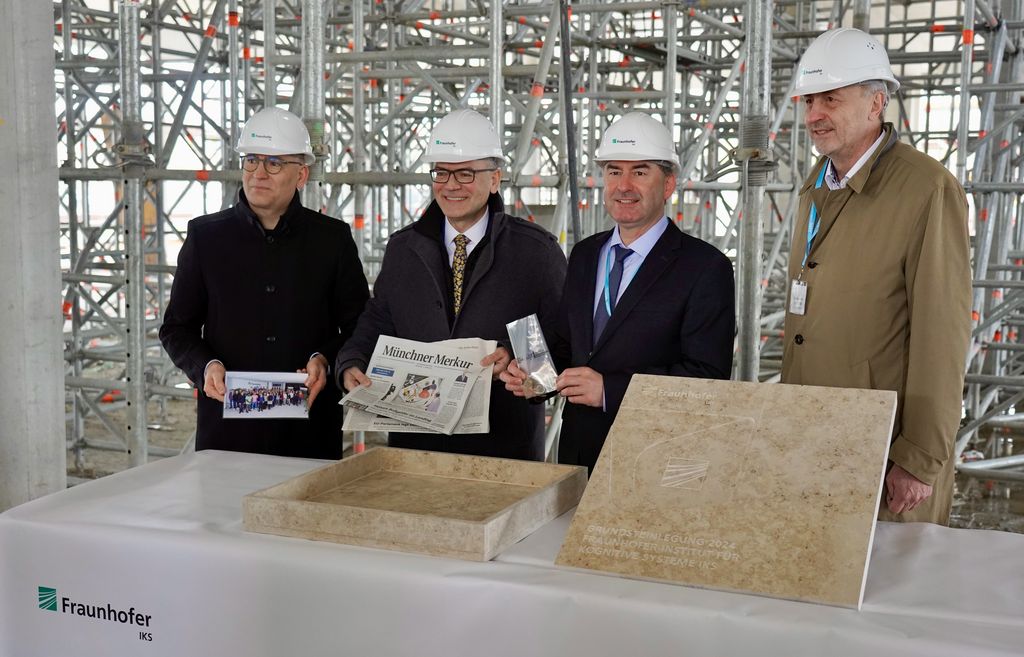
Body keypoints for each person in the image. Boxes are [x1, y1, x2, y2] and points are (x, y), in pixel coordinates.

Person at [782, 28, 971, 525]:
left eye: (831, 99)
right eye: (808, 101)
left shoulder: (926, 189)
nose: (814, 114)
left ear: (875, 104)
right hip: (815, 434)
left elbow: (942, 335)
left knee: (890, 588)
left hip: (884, 451)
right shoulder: (816, 185)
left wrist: (919, 456)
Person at [502, 112, 735, 473]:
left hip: (656, 458)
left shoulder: (705, 267)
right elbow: (568, 345)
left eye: (640, 172)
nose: (623, 185)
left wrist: (611, 391)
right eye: (614, 171)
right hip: (580, 455)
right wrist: (534, 376)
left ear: (669, 184)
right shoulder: (585, 255)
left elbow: (707, 379)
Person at [335, 109, 567, 461]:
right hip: (415, 452)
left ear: (495, 179)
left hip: (505, 453)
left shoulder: (535, 252)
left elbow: (560, 342)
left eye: (465, 173)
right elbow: (378, 322)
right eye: (441, 172)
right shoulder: (403, 249)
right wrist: (351, 362)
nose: (451, 185)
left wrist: (518, 359)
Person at [160, 107, 369, 459]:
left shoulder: (331, 241)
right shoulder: (206, 238)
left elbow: (359, 325)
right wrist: (206, 366)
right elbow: (176, 329)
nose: (258, 173)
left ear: (301, 174)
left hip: (308, 431)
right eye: (252, 161)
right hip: (228, 433)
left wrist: (326, 359)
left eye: (274, 164)